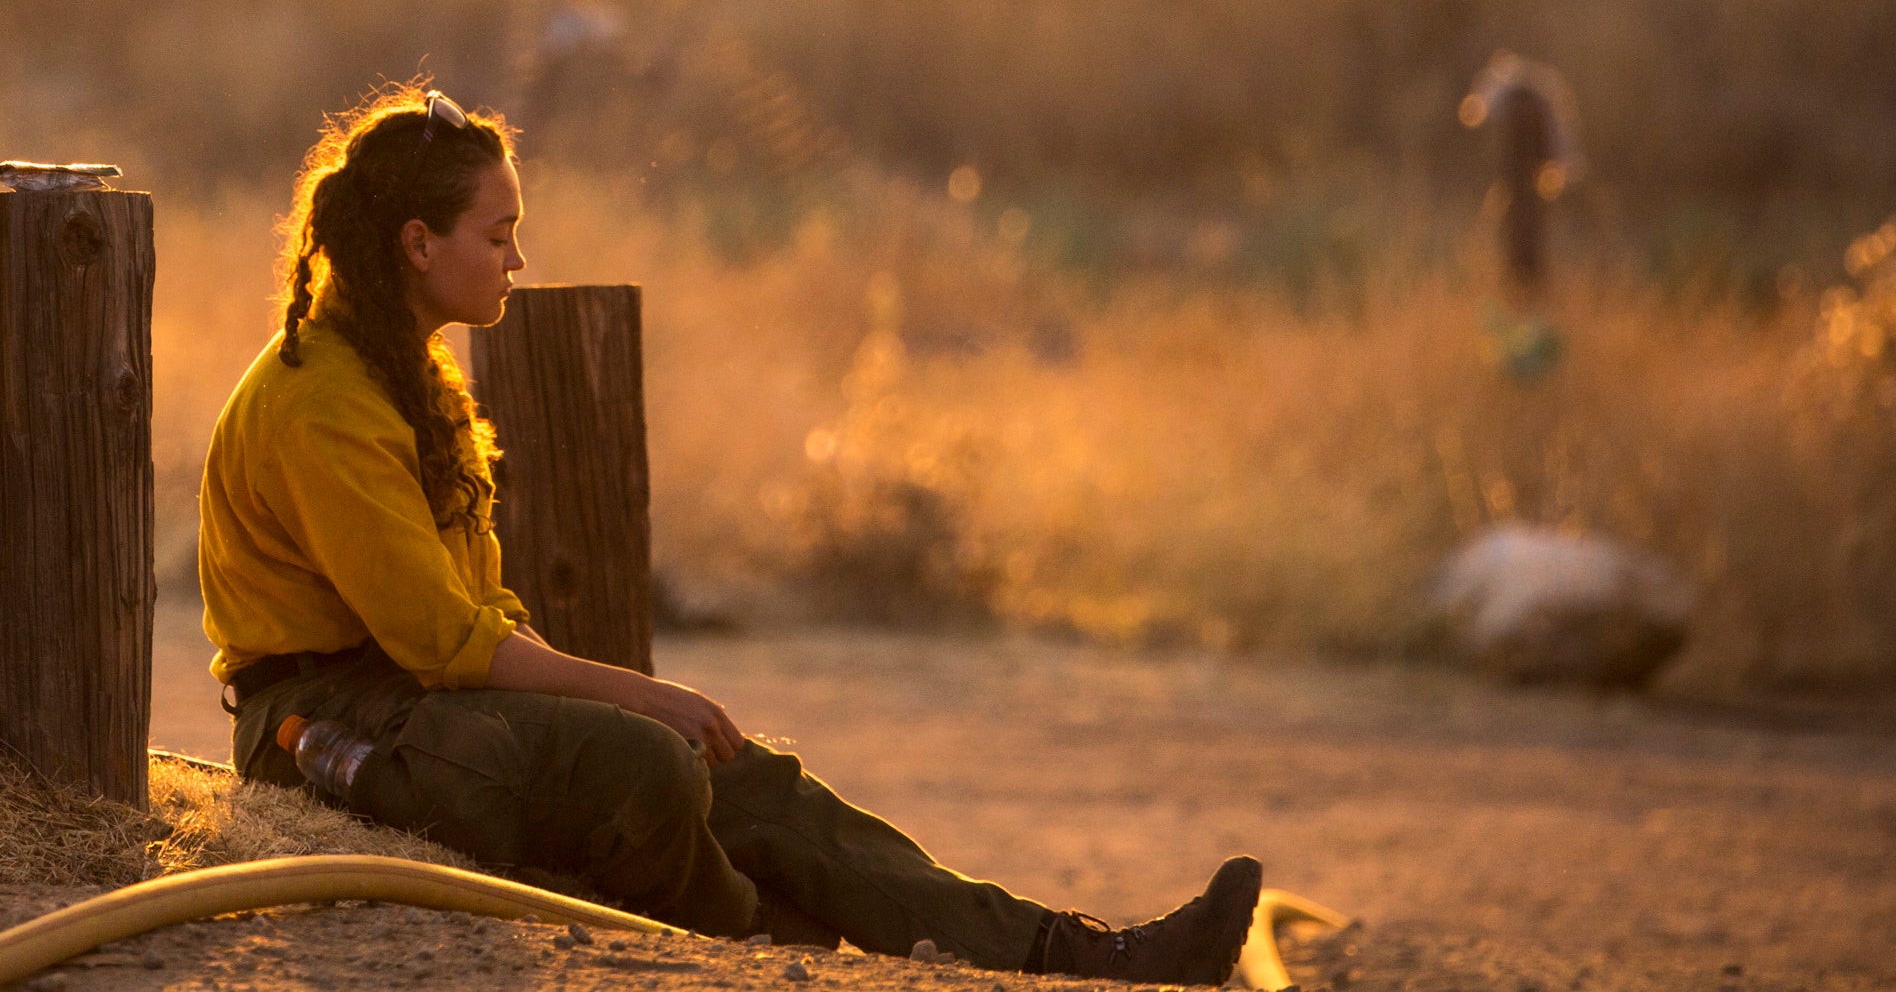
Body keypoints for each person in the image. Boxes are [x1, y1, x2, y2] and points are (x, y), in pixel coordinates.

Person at [197, 86, 1264, 983]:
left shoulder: (409, 367)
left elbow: (475, 614)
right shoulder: (322, 401)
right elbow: (441, 641)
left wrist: (653, 704)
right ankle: (759, 933)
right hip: (326, 722)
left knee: (754, 777)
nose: (520, 258)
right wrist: (640, 689)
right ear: (418, 245)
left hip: (421, 701)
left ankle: (1073, 955)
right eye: (500, 234)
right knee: (645, 759)